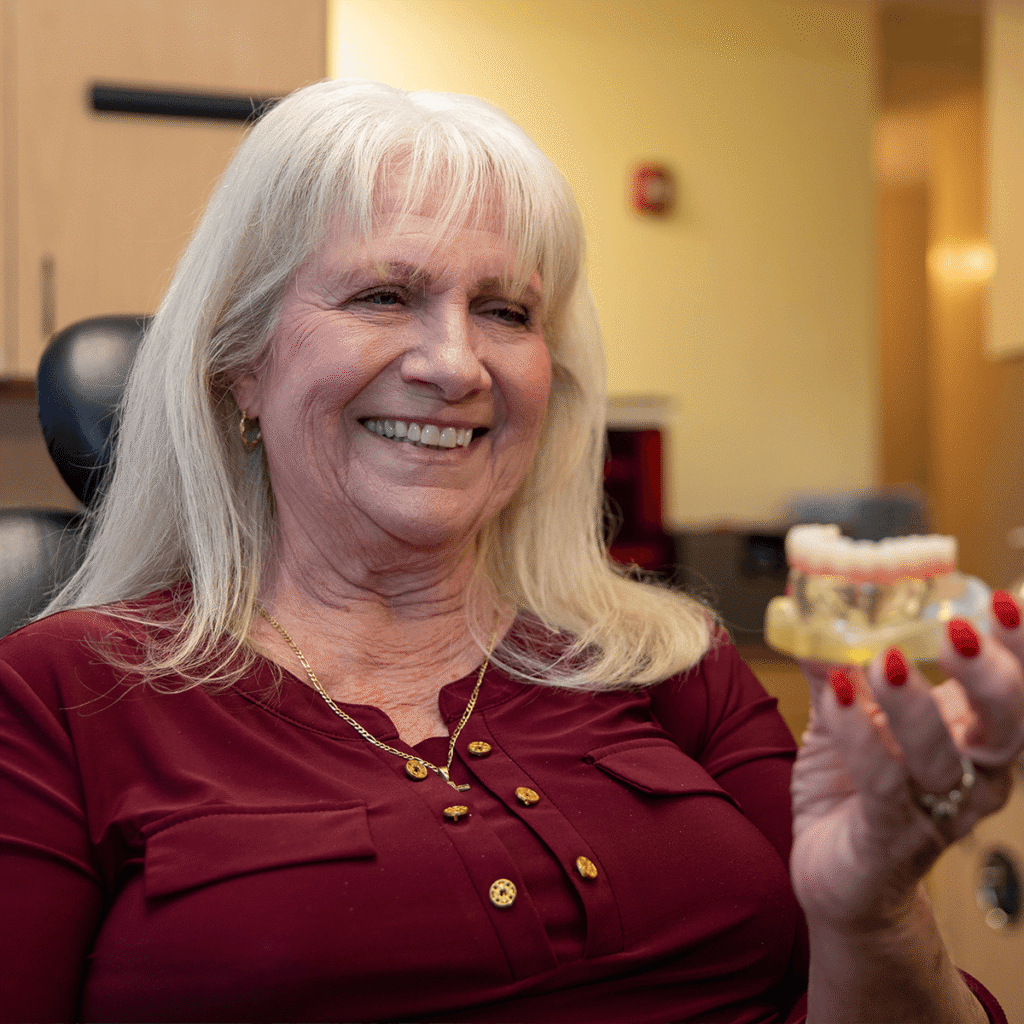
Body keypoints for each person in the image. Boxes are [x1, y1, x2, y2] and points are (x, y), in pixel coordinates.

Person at [0, 78, 1020, 1024]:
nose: (456, 365)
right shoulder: (60, 698)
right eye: (383, 295)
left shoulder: (667, 660)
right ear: (240, 368)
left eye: (505, 311)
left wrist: (875, 914)